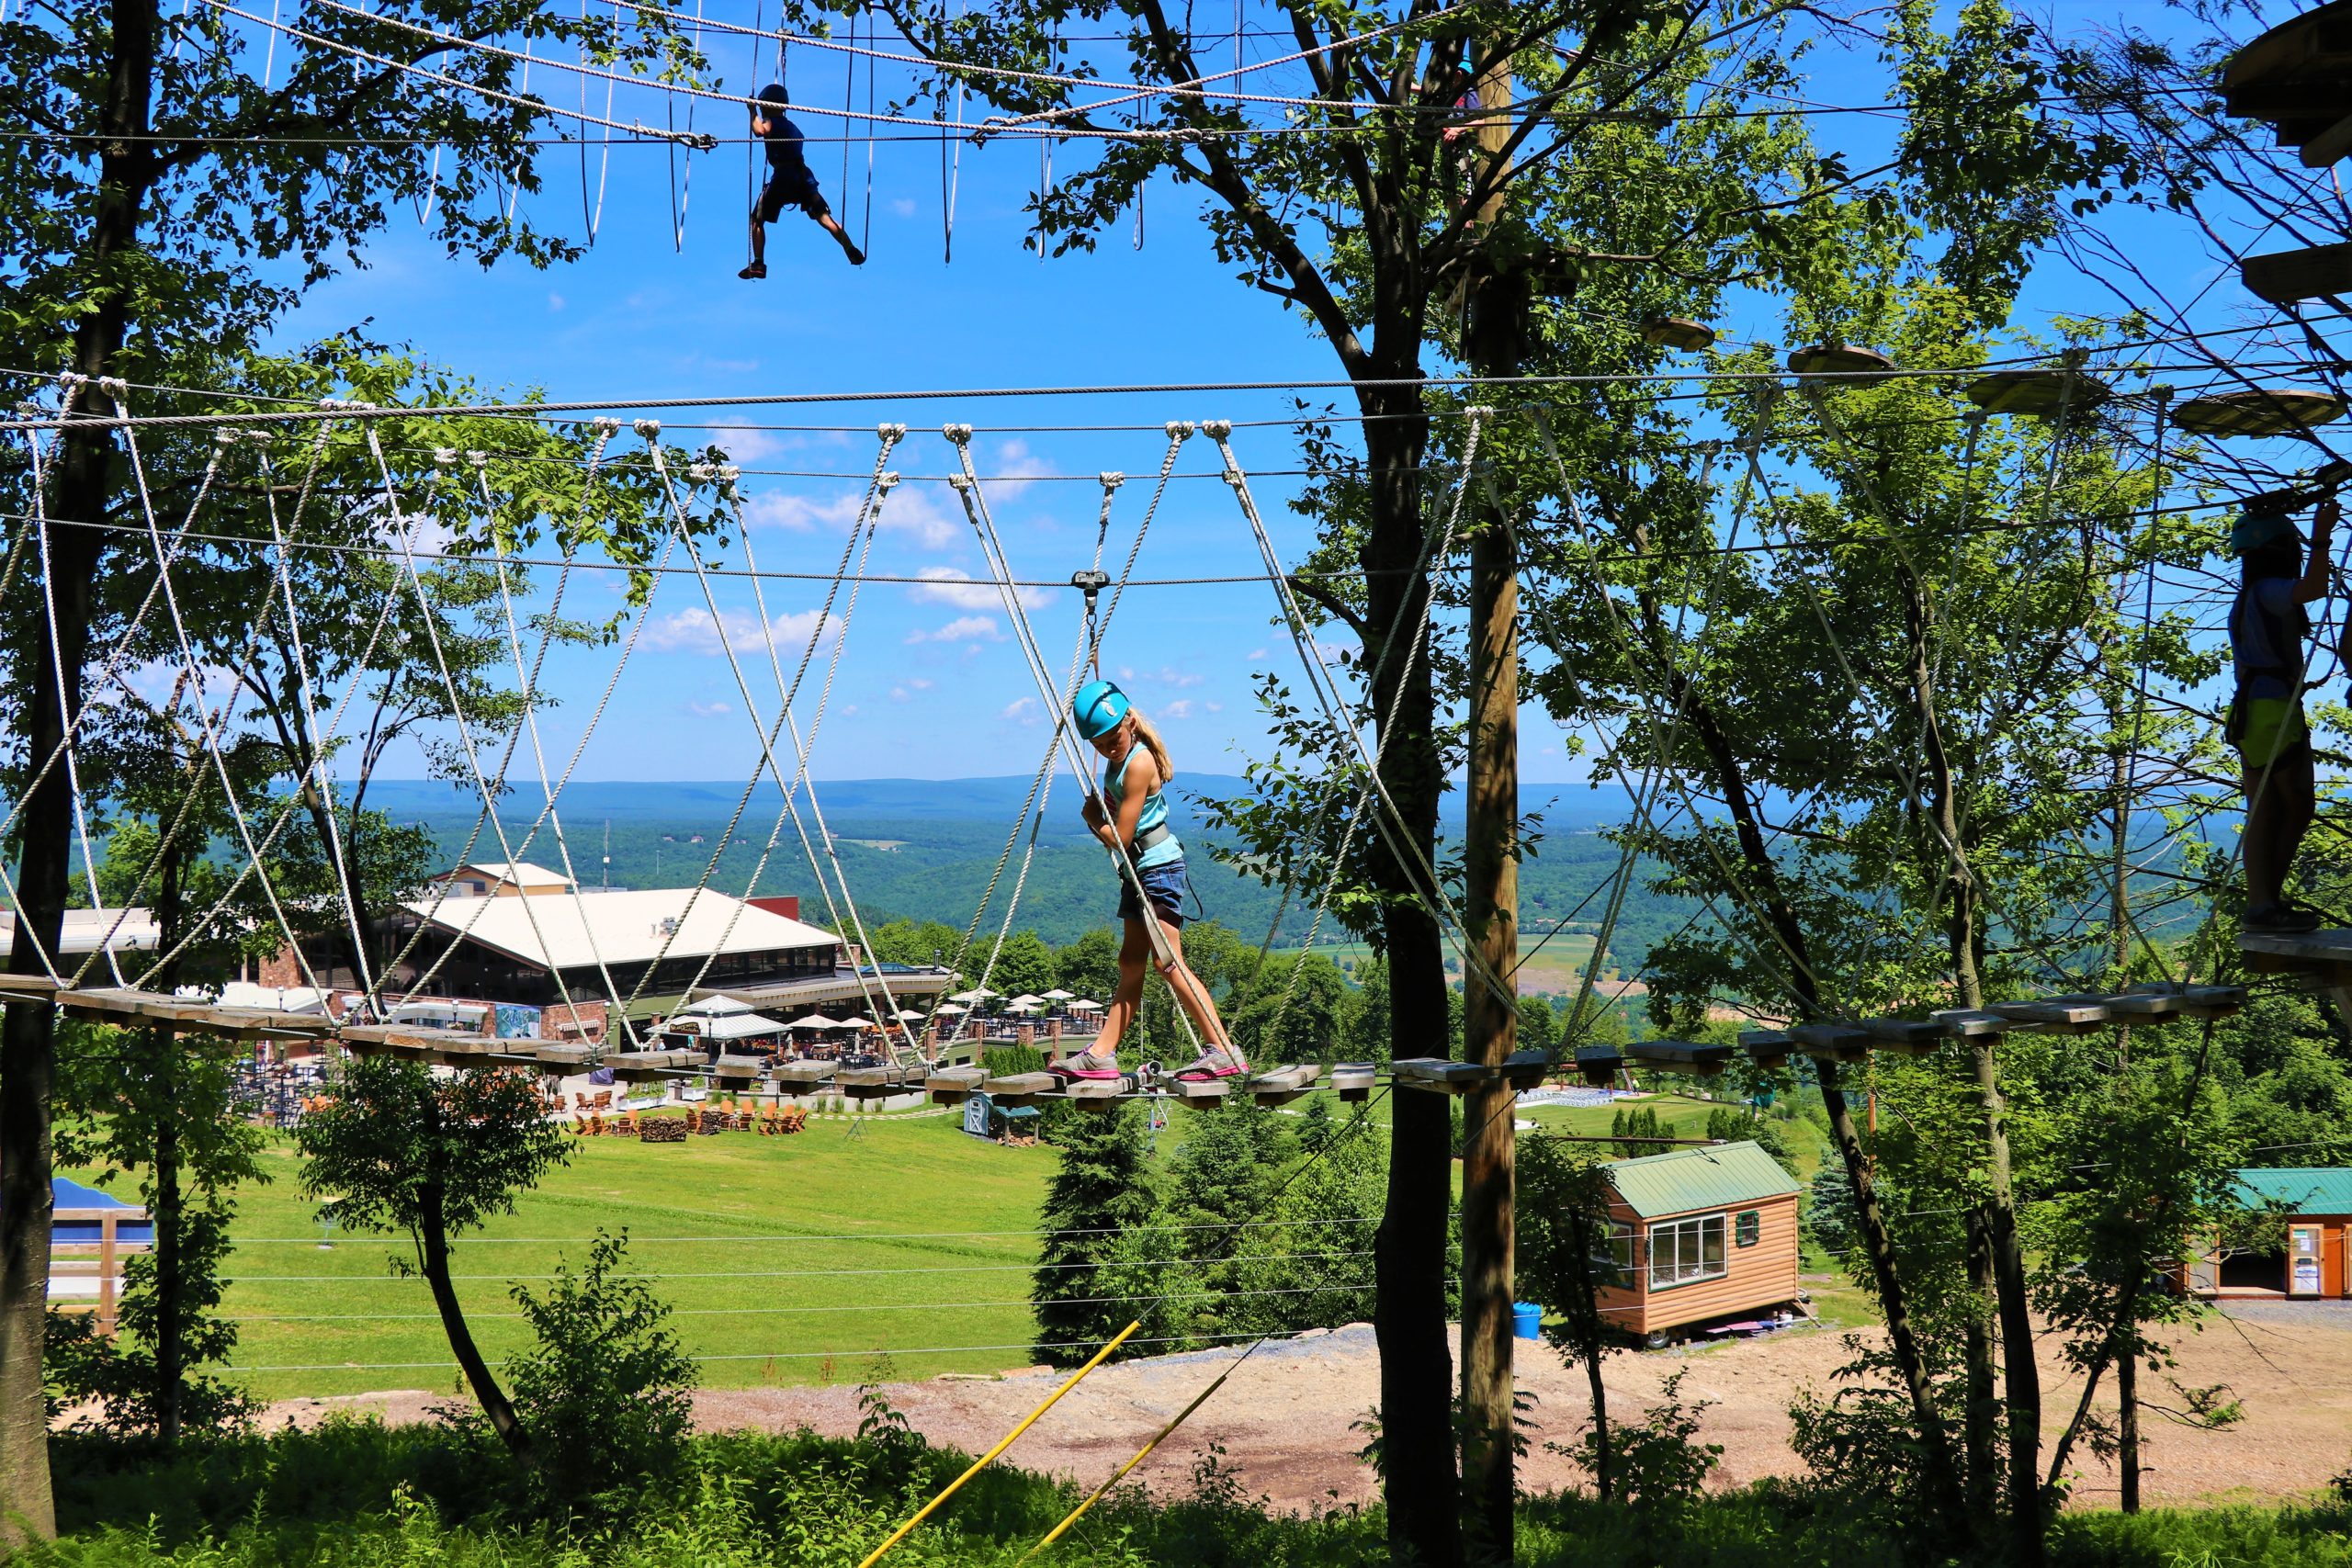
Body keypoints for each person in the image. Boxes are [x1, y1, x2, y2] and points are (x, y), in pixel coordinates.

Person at [1049, 679, 1247, 1084]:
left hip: (1156, 869)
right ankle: (1102, 1054)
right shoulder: (1119, 758)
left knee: (1168, 963)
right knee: (1131, 963)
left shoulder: (1137, 764)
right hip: (1140, 871)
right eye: (1100, 744)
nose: (1107, 748)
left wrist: (1092, 820)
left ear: (1131, 722)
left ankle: (1224, 1050)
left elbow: (1120, 839)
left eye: (1112, 738)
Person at [2229, 492, 2337, 931]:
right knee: (2297, 806)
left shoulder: (2247, 598)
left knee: (2264, 809)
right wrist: (2323, 538)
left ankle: (2263, 904)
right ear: (2281, 551)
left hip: (2250, 712)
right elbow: (2312, 589)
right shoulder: (2271, 592)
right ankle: (2265, 903)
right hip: (2274, 708)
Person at [740, 85, 864, 276]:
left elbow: (759, 131)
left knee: (756, 219)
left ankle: (758, 263)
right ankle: (849, 247)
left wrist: (751, 110)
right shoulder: (794, 128)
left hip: (783, 177)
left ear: (769, 106)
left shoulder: (773, 122)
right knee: (824, 218)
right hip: (803, 177)